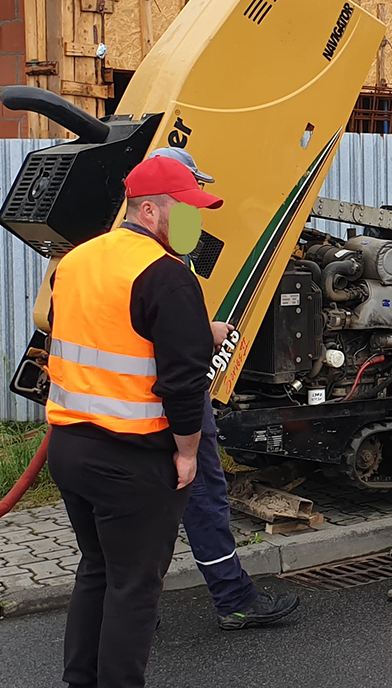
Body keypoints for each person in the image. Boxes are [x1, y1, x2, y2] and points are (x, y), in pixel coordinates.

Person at [43, 156, 224, 688]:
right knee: (133, 587)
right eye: (187, 211)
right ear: (149, 210)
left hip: (70, 447)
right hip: (134, 457)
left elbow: (88, 332)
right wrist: (188, 453)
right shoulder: (166, 275)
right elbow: (184, 382)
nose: (194, 223)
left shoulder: (76, 260)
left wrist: (194, 329)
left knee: (97, 568)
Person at [144, 148, 302, 631]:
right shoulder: (167, 267)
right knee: (203, 497)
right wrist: (204, 335)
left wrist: (198, 328)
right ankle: (233, 599)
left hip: (120, 414)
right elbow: (177, 354)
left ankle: (128, 606)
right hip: (175, 404)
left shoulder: (120, 257)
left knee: (146, 506)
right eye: (188, 193)